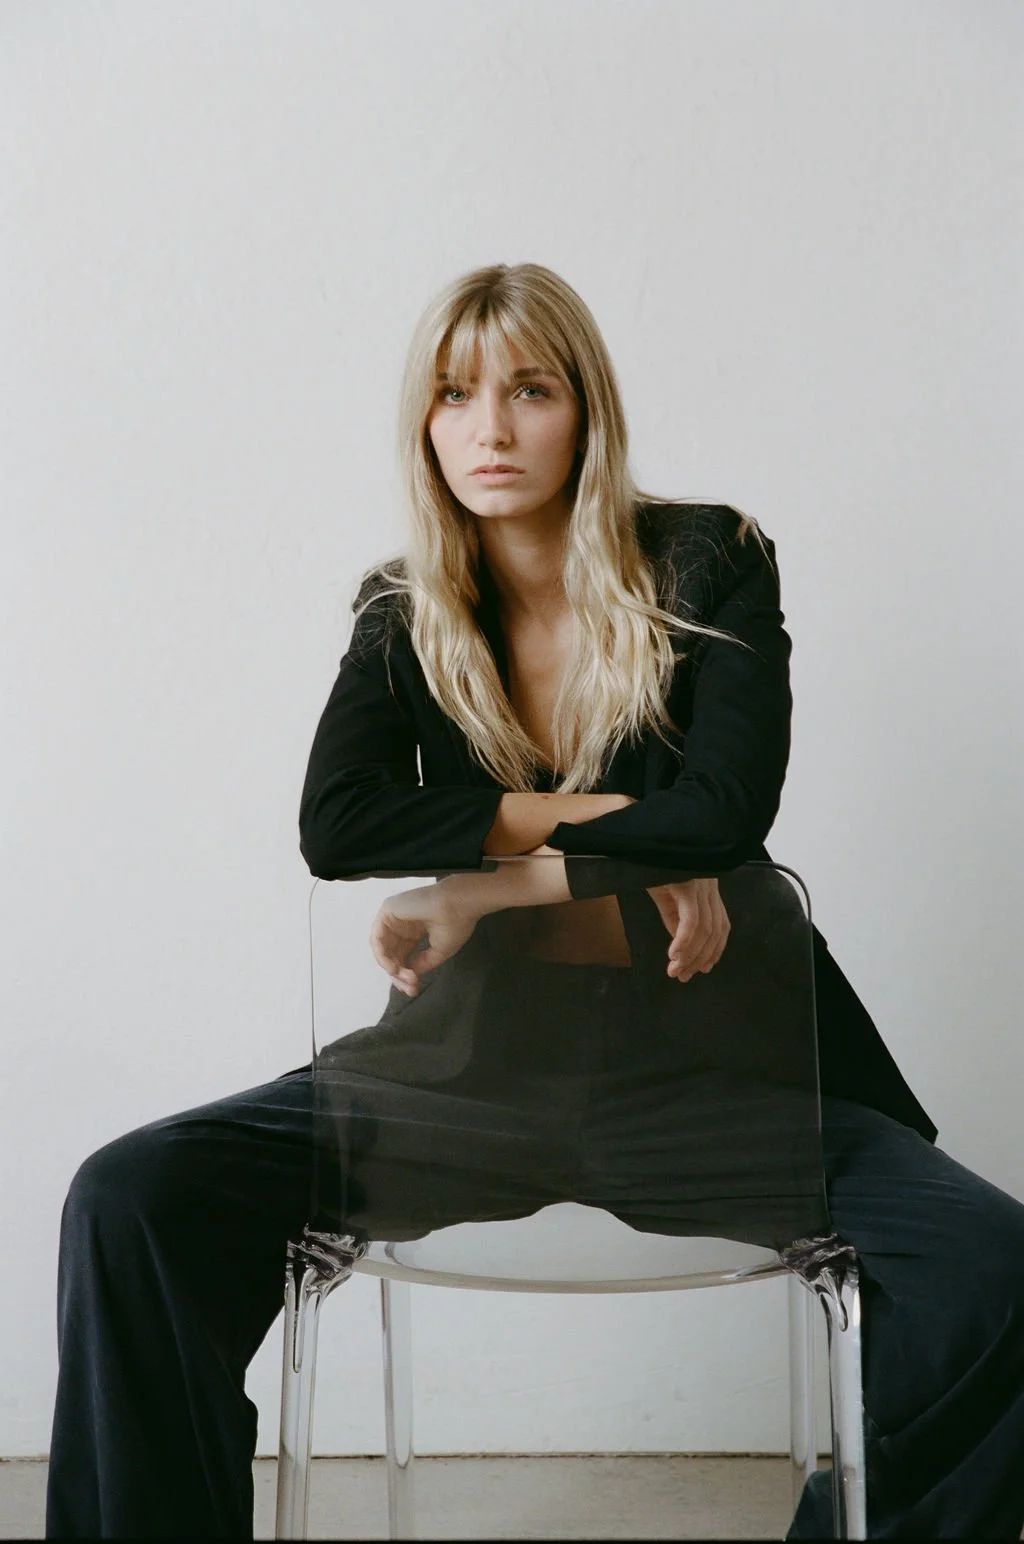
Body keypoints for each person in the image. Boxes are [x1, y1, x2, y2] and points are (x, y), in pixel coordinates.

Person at [46, 263, 1024, 1540]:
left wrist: (493, 884)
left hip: (723, 1067)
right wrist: (625, 841)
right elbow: (336, 825)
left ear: (586, 409)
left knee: (991, 1265)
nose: (490, 428)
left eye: (529, 389)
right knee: (129, 1196)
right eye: (455, 394)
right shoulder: (403, 608)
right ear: (425, 422)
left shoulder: (710, 562)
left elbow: (730, 809)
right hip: (464, 1073)